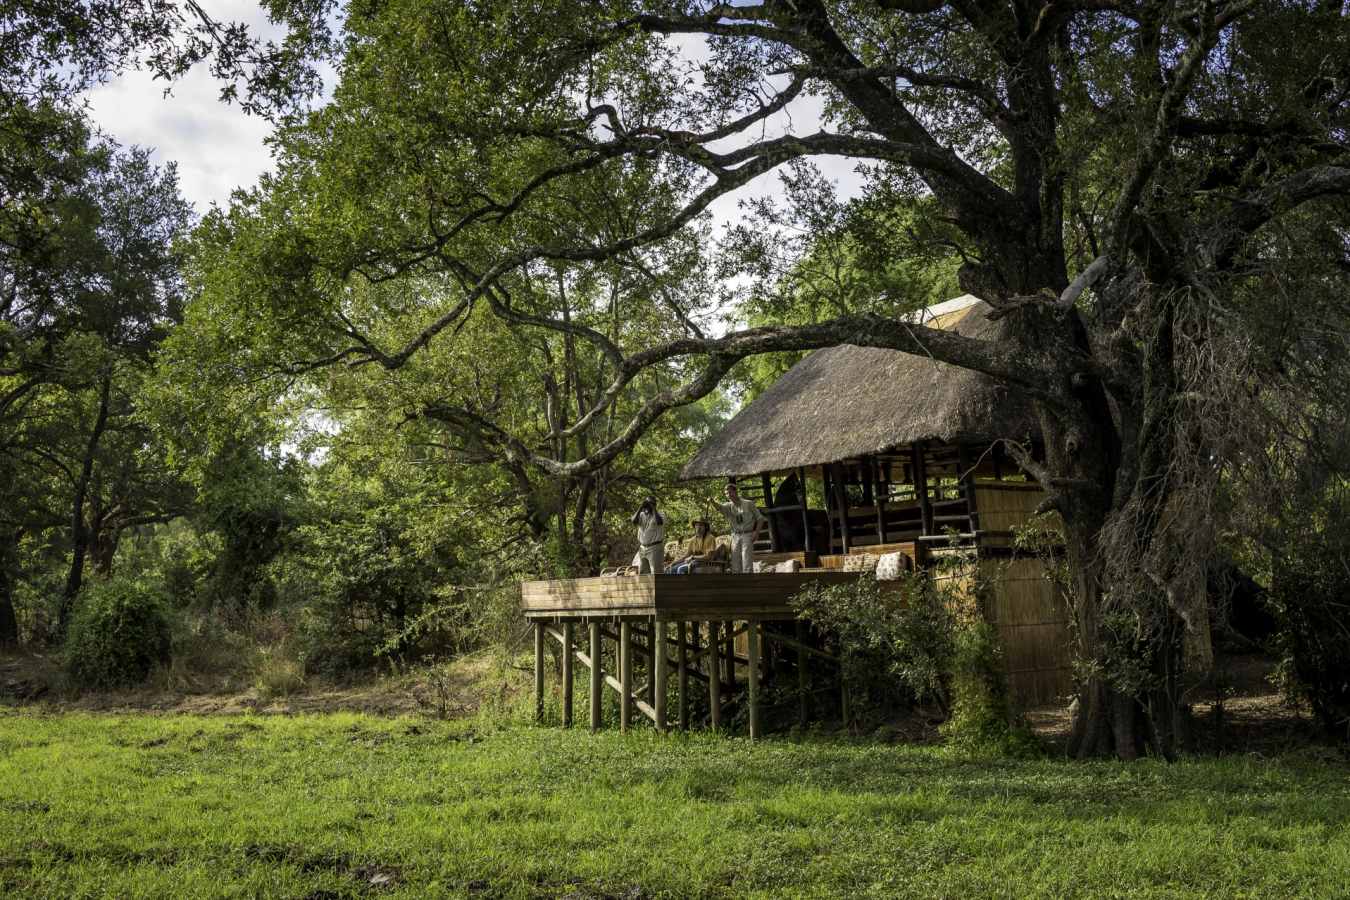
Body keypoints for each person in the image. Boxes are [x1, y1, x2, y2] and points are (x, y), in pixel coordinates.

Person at [715, 480, 767, 573]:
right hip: (735, 535)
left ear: (735, 492)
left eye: (730, 492)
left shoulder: (748, 503)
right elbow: (719, 507)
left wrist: (756, 532)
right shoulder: (728, 506)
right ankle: (738, 581)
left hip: (747, 534)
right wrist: (712, 501)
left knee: (747, 561)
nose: (728, 495)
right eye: (726, 493)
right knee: (735, 561)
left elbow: (760, 518)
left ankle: (748, 581)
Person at [630, 496, 666, 574]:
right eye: (647, 503)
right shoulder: (641, 515)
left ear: (655, 504)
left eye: (650, 503)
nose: (648, 505)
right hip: (642, 548)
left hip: (655, 547)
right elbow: (633, 521)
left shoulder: (660, 514)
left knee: (656, 572)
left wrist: (653, 508)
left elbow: (659, 522)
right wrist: (640, 507)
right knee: (643, 573)